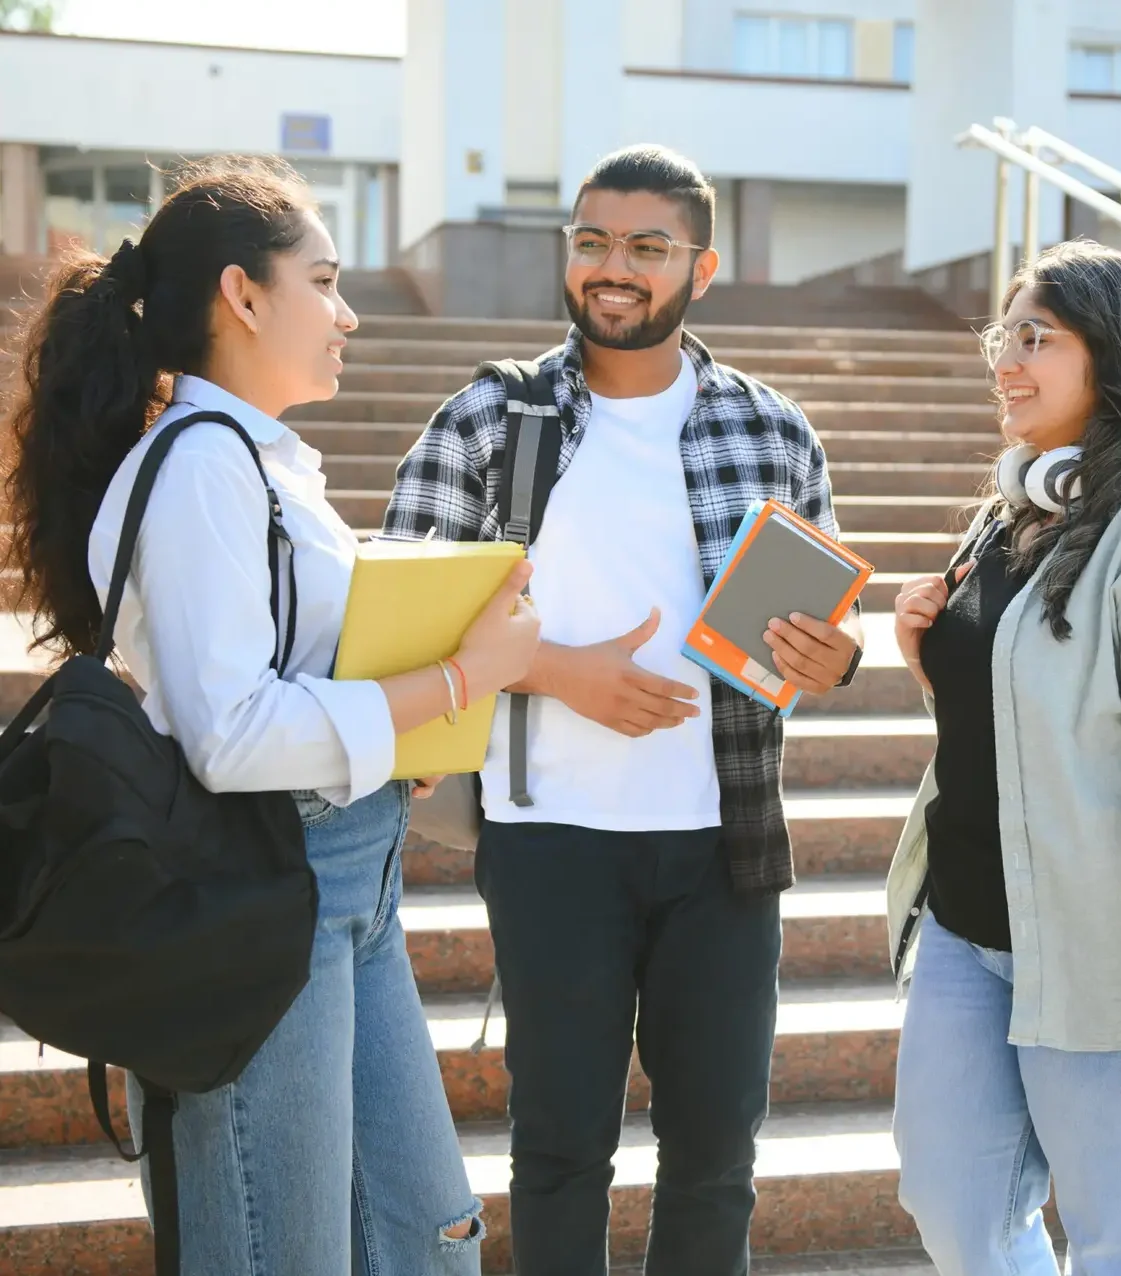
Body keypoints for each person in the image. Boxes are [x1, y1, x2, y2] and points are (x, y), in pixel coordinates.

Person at [2, 157, 540, 1276]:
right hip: (259, 891)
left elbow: (290, 677)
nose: (348, 314)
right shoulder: (204, 469)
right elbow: (232, 734)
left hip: (349, 882)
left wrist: (400, 739)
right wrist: (446, 685)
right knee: (282, 1252)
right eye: (326, 282)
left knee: (428, 1230)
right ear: (243, 296)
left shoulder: (261, 461)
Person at [382, 144, 862, 1275]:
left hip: (723, 843)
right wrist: (555, 670)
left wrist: (829, 659)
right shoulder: (493, 417)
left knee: (714, 1156)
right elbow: (393, 621)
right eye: (593, 241)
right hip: (550, 841)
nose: (613, 268)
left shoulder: (773, 430)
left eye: (646, 248)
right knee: (558, 1151)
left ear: (701, 265)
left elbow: (811, 647)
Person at [887, 239, 1121, 1275]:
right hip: (973, 934)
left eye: (1035, 337)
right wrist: (925, 650)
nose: (1004, 360)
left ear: (1111, 352)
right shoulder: (1017, 509)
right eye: (999, 336)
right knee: (954, 1208)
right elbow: (1031, 716)